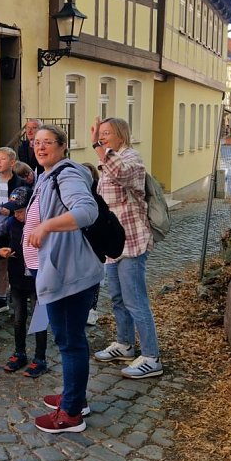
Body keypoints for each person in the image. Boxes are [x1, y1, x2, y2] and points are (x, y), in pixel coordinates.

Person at [24, 124, 101, 434]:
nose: (41, 147)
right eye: (36, 142)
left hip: (70, 274)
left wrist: (45, 227)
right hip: (64, 270)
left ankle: (70, 414)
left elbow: (87, 211)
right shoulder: (47, 174)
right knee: (70, 340)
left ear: (62, 146)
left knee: (70, 343)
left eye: (48, 143)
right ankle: (75, 397)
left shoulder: (66, 174)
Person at [90, 117, 163, 379]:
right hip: (113, 242)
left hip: (132, 240)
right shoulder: (108, 159)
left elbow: (120, 173)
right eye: (100, 133)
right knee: (118, 298)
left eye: (107, 133)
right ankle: (125, 344)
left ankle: (152, 357)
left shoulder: (132, 158)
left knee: (135, 300)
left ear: (121, 135)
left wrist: (97, 146)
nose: (103, 137)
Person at [0, 186, 47, 378]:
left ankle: (40, 358)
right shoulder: (11, 222)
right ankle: (19, 352)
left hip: (38, 281)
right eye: (15, 211)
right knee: (19, 318)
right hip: (18, 279)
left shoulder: (43, 224)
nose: (18, 215)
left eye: (21, 211)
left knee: (39, 320)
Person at [0, 147, 28, 316]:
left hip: (16, 227)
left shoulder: (20, 183)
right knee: (1, 263)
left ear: (12, 162)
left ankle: (22, 295)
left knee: (19, 262)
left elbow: (26, 204)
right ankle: (1, 298)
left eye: (2, 159)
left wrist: (11, 211)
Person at [81, 162, 101, 327]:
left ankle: (92, 309)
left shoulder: (98, 193)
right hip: (79, 240)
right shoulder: (74, 191)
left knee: (93, 277)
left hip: (94, 240)